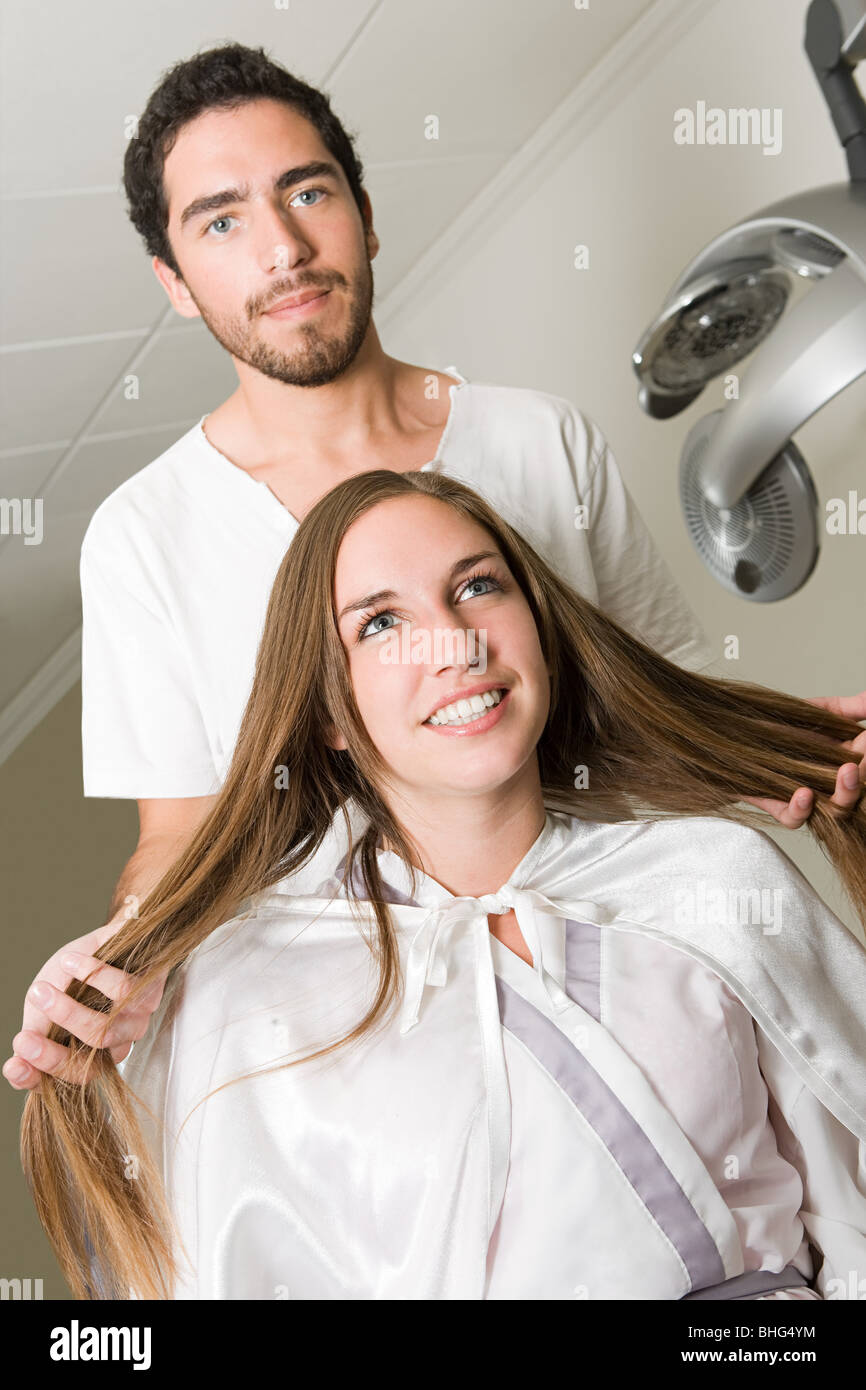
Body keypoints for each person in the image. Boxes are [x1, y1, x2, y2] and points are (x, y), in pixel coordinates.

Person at [6, 42, 865, 1096]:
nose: (279, 248)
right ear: (175, 283)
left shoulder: (540, 442)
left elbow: (656, 702)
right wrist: (121, 958)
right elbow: (179, 835)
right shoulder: (145, 531)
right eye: (220, 220)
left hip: (611, 971)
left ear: (363, 216)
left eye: (305, 191)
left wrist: (790, 740)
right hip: (355, 1031)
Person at [21, 469, 866, 1301]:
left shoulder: (718, 879)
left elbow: (851, 1209)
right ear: (328, 713)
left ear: (539, 630)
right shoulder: (243, 985)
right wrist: (112, 994)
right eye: (382, 622)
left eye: (479, 587)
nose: (455, 645)